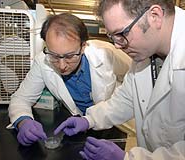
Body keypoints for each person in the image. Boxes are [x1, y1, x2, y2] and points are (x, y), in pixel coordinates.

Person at [54, 0, 185, 159]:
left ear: (154, 16)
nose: (117, 46)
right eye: (112, 37)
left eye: (122, 34)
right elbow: (125, 100)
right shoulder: (146, 53)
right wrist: (89, 120)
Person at [8, 13, 131, 146]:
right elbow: (21, 98)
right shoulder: (42, 62)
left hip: (117, 125)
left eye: (70, 56)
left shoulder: (106, 53)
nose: (62, 66)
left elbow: (136, 78)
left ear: (83, 46)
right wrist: (23, 121)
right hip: (78, 127)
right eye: (54, 55)